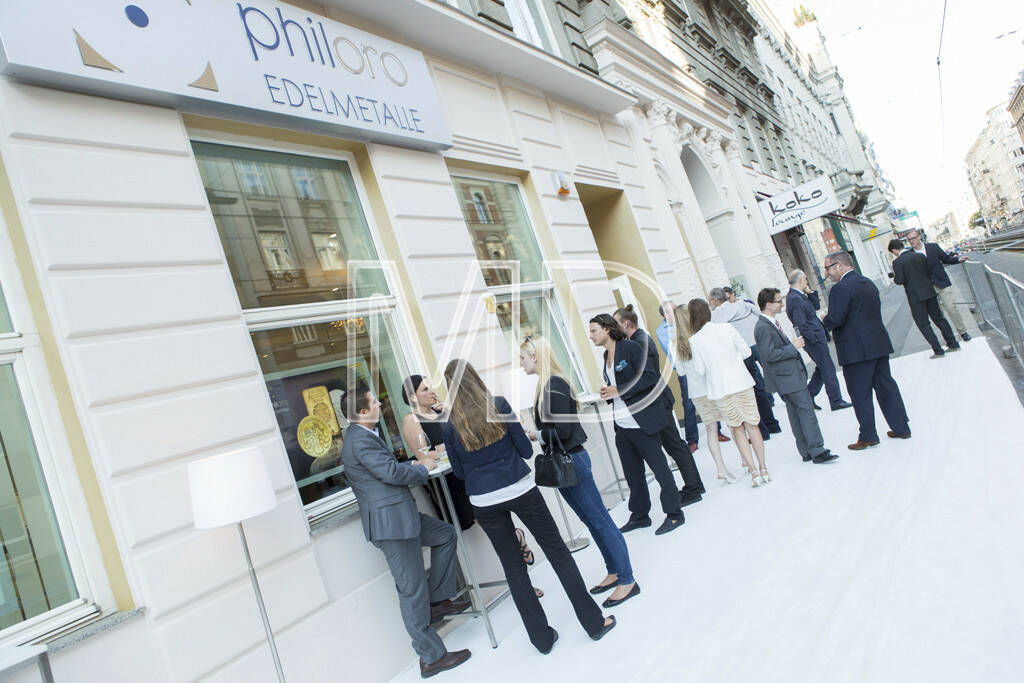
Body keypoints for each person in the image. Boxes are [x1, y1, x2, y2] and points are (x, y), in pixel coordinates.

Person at [441, 360, 616, 654]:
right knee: (558, 552)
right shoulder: (498, 405)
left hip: (484, 500)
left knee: (514, 568)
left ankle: (542, 640)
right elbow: (524, 450)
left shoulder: (450, 426)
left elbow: (458, 472)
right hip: (519, 487)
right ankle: (594, 623)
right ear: (474, 377)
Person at [340, 386, 471, 678]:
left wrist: (414, 462)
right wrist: (422, 468)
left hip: (402, 517)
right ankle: (431, 658)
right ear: (362, 411)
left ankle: (436, 601)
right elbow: (391, 474)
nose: (380, 404)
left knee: (445, 535)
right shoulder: (359, 440)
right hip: (392, 526)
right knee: (411, 590)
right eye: (374, 402)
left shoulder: (365, 435)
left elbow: (386, 468)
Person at [519, 336, 640, 608]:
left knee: (600, 520)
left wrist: (537, 434)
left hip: (572, 460)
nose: (521, 362)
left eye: (523, 357)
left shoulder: (555, 384)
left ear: (535, 356)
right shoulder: (547, 385)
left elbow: (562, 430)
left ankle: (627, 580)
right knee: (591, 520)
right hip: (566, 461)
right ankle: (614, 571)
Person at [590, 314, 685, 535]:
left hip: (642, 421)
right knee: (633, 475)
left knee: (660, 469)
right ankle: (640, 515)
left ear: (607, 329)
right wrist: (610, 392)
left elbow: (649, 377)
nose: (591, 336)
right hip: (622, 425)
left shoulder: (631, 348)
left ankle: (674, 514)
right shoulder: (606, 356)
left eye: (594, 330)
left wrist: (619, 389)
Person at [614, 305, 705, 507]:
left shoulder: (640, 342)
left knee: (674, 446)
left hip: (659, 402)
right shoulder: (637, 340)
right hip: (658, 401)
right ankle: (696, 486)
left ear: (626, 324)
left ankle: (693, 488)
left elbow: (647, 376)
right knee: (675, 445)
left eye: (616, 323)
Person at [822, 250, 911, 450]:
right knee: (886, 387)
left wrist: (824, 320)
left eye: (828, 268)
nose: (827, 273)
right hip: (877, 344)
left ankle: (868, 436)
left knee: (860, 394)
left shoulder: (839, 289)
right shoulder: (867, 282)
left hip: (855, 350)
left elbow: (836, 319)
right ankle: (901, 427)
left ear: (839, 265)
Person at [688, 299, 770, 486]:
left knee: (736, 428)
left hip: (720, 389)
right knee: (753, 425)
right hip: (742, 382)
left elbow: (700, 370)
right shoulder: (726, 328)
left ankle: (754, 472)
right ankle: (763, 468)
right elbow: (746, 352)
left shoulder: (695, 340)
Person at [755, 288, 839, 465]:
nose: (782, 304)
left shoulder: (769, 323)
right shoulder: (763, 326)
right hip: (787, 377)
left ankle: (806, 450)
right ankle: (817, 450)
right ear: (768, 304)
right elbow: (769, 355)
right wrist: (793, 347)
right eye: (778, 301)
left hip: (787, 376)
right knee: (806, 411)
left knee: (795, 414)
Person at [670, 304, 738, 485]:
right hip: (713, 387)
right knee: (732, 423)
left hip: (696, 393)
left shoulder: (675, 344)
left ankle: (721, 469)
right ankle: (746, 461)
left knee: (710, 429)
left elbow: (681, 372)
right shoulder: (699, 337)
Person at [709, 287, 781, 440]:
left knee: (747, 394)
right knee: (758, 388)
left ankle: (761, 431)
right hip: (749, 348)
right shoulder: (741, 305)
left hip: (736, 357)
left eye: (710, 301)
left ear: (715, 301)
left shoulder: (717, 315)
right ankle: (772, 424)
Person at [656, 301, 731, 446]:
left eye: (676, 309)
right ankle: (692, 440)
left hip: (702, 365)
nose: (676, 312)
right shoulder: (662, 331)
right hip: (685, 370)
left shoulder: (688, 321)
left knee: (711, 395)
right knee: (689, 404)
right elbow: (672, 353)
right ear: (665, 315)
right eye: (672, 311)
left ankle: (718, 432)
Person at [785, 270, 852, 411]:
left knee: (822, 368)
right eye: (805, 279)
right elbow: (801, 323)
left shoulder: (799, 295)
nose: (807, 282)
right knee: (828, 368)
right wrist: (814, 338)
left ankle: (809, 396)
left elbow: (815, 306)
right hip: (813, 339)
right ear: (801, 280)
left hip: (815, 336)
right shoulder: (795, 298)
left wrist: (809, 292)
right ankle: (836, 400)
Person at [888, 239, 960, 358]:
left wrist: (895, 275)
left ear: (894, 250)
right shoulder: (919, 256)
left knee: (923, 324)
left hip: (915, 297)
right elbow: (928, 271)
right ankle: (953, 343)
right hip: (929, 291)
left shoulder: (897, 262)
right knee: (939, 319)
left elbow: (899, 280)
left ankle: (938, 350)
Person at [906, 228, 971, 342]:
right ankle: (950, 337)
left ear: (919, 237)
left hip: (942, 282)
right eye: (909, 239)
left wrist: (958, 259)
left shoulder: (933, 247)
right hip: (927, 288)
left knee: (950, 307)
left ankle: (963, 332)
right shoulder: (909, 254)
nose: (911, 241)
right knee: (938, 314)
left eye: (913, 238)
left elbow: (946, 259)